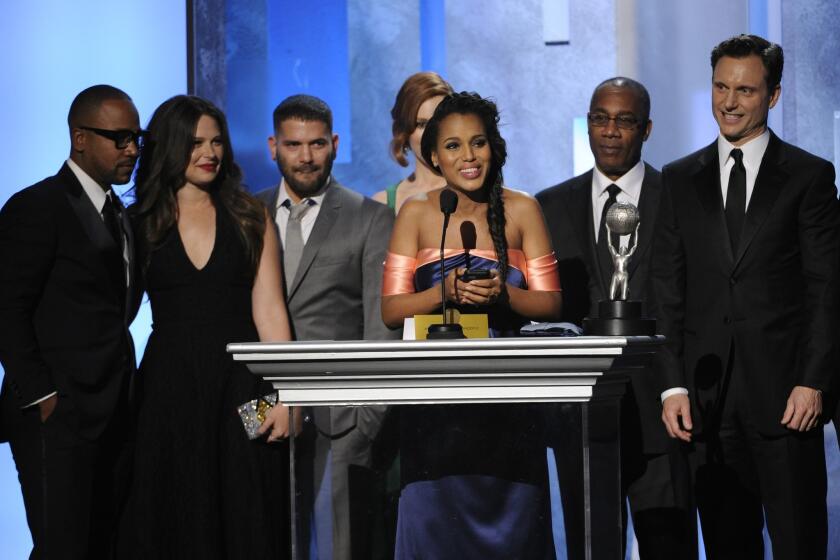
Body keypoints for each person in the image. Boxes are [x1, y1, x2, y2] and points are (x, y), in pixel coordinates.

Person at [651, 34, 840, 559]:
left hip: (786, 401)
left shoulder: (809, 176)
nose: (728, 102)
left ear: (773, 96)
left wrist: (812, 381)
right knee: (728, 546)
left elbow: (825, 289)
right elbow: (666, 290)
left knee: (799, 543)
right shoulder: (679, 179)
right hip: (707, 406)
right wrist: (672, 388)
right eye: (720, 87)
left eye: (745, 90)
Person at [381, 91, 562, 559]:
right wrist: (443, 293)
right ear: (435, 156)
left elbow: (552, 302)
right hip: (434, 412)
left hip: (509, 406)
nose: (468, 157)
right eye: (454, 146)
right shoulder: (417, 214)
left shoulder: (523, 209)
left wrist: (506, 295)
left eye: (478, 143)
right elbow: (391, 310)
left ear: (494, 147)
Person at [123, 95, 293, 558]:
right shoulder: (139, 222)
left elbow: (271, 311)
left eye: (217, 141)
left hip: (246, 391)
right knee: (172, 515)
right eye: (196, 142)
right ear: (171, 146)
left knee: (250, 508)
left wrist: (286, 396)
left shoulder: (249, 215)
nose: (210, 152)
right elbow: (115, 314)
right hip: (167, 394)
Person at [536, 78, 693, 559]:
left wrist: (678, 387)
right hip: (583, 416)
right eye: (599, 118)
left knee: (668, 546)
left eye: (624, 120)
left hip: (662, 411)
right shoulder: (548, 205)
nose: (609, 131)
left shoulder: (681, 198)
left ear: (645, 129)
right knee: (592, 547)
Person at [0, 84, 143, 559]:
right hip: (56, 416)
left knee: (103, 542)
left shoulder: (121, 212)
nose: (132, 149)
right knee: (62, 547)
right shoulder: (36, 207)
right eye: (118, 138)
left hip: (113, 409)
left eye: (136, 138)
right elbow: (7, 307)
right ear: (80, 138)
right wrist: (43, 396)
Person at [257, 94, 398, 560]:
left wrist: (366, 422)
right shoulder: (245, 213)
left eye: (316, 144)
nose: (306, 157)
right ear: (273, 146)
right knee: (259, 537)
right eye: (294, 145)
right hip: (256, 411)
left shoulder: (370, 217)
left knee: (338, 551)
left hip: (339, 422)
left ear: (334, 144)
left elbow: (381, 328)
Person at [373, 71, 453, 212]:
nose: (432, 134)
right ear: (404, 131)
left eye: (440, 122)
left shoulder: (476, 194)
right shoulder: (382, 204)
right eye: (422, 124)